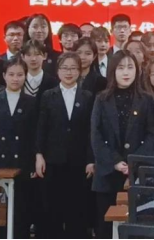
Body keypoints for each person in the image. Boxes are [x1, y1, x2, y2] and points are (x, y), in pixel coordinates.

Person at [91, 51, 154, 239]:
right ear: (112, 71)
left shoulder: (146, 99)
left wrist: (133, 162)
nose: (126, 72)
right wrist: (115, 162)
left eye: (130, 67)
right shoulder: (101, 99)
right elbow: (96, 135)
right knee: (105, 229)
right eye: (120, 68)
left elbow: (152, 135)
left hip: (137, 173)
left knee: (136, 228)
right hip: (107, 174)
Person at [36, 52, 94, 239]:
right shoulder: (47, 95)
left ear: (80, 71)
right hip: (53, 160)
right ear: (58, 71)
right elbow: (41, 127)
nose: (69, 72)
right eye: (65, 68)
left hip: (79, 161)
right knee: (52, 208)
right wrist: (39, 154)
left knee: (77, 209)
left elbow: (91, 131)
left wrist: (91, 160)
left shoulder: (88, 96)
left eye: (73, 68)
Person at [0, 56, 37, 239]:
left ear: (25, 76)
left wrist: (33, 164)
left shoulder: (32, 102)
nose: (15, 78)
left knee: (21, 211)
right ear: (4, 75)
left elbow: (35, 136)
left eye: (20, 75)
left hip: (22, 165)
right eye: (11, 74)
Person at [22, 40, 59, 108]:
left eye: (37, 54)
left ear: (45, 56)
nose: (33, 59)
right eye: (29, 55)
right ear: (23, 57)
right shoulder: (19, 81)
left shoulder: (53, 82)